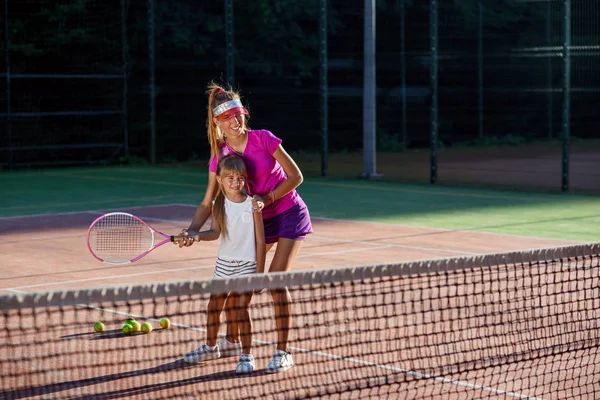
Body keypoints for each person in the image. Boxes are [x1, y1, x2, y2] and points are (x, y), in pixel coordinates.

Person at [179, 82, 313, 373]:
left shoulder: (264, 139)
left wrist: (267, 198)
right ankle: (229, 342)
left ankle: (283, 351)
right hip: (259, 219)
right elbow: (207, 201)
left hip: (288, 211)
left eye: (238, 114)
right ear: (217, 122)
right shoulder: (221, 158)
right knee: (241, 288)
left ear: (245, 114)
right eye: (227, 117)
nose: (235, 121)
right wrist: (192, 230)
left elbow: (296, 176)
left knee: (276, 281)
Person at [183, 154, 266, 374]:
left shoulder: (254, 205)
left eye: (239, 177)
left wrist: (260, 273)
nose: (235, 182)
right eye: (229, 177)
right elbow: (214, 233)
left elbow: (260, 240)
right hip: (224, 264)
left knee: (242, 310)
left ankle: (247, 355)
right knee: (213, 307)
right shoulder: (217, 203)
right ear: (219, 179)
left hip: (247, 266)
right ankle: (211, 347)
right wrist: (195, 235)